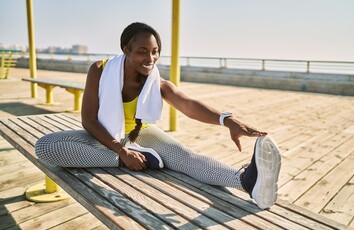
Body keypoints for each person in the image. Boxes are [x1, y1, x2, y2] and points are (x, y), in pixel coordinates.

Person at [35, 22, 281, 209]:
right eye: (142, 51)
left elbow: (188, 104)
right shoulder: (100, 70)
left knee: (187, 158)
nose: (150, 58)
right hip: (103, 136)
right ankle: (134, 160)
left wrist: (226, 120)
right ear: (125, 49)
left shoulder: (157, 83)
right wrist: (123, 154)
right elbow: (88, 120)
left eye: (155, 52)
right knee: (45, 147)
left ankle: (247, 182)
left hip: (140, 135)